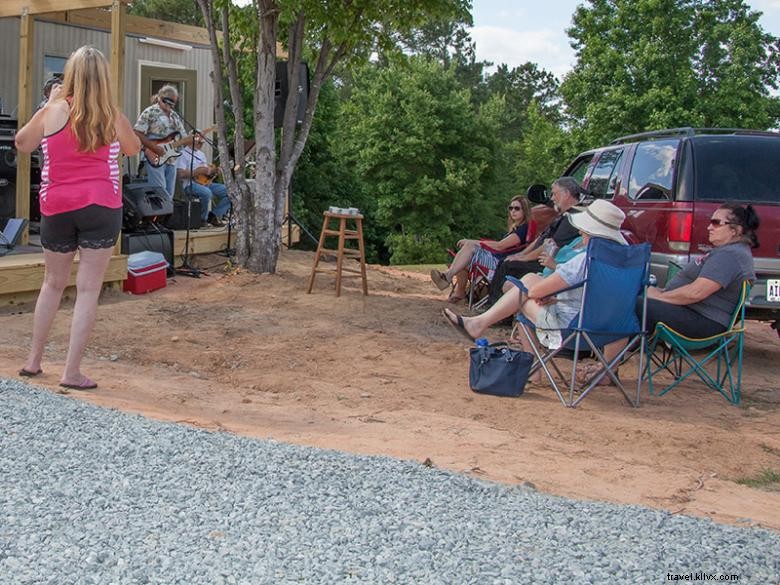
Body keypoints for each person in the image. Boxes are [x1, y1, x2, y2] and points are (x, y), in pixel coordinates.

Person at [15, 45, 141, 390]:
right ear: (103, 79)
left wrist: (49, 103)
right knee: (87, 290)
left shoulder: (53, 111)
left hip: (56, 205)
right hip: (101, 205)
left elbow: (22, 143)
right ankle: (71, 372)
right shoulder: (112, 115)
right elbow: (133, 149)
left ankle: (33, 361)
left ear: (69, 76)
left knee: (51, 284)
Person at [443, 199, 629, 383]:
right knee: (530, 286)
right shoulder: (630, 262)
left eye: (584, 229)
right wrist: (553, 296)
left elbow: (537, 290)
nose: (580, 232)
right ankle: (607, 371)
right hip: (616, 330)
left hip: (572, 329)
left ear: (592, 231)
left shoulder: (585, 260)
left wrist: (545, 294)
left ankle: (528, 365)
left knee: (526, 291)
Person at [644, 203, 758, 338]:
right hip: (694, 313)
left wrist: (659, 297)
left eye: (716, 223)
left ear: (736, 230)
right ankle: (625, 351)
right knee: (630, 299)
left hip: (705, 321)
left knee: (631, 305)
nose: (709, 227)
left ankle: (619, 353)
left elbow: (696, 293)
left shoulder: (730, 256)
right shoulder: (731, 251)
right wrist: (659, 293)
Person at [486, 177, 583, 306]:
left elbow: (549, 246)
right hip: (543, 258)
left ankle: (498, 310)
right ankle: (494, 306)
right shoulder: (562, 215)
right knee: (508, 261)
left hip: (549, 264)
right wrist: (522, 254)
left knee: (509, 265)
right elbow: (541, 238)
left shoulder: (573, 219)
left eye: (554, 194)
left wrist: (523, 258)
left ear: (566, 194)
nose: (552, 198)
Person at [430, 195, 531, 303]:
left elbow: (501, 246)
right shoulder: (515, 228)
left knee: (469, 247)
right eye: (510, 208)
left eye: (517, 208)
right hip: (496, 259)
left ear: (524, 210)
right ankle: (459, 292)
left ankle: (447, 277)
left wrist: (473, 241)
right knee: (463, 258)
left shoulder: (523, 229)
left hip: (500, 264)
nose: (513, 211)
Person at [133, 85, 187, 199]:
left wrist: (192, 139)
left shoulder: (175, 116)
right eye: (168, 100)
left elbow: (183, 137)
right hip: (155, 157)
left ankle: (166, 215)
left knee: (169, 196)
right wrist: (154, 148)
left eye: (174, 101)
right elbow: (137, 132)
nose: (171, 104)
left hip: (171, 160)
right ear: (161, 98)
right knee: (160, 194)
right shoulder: (150, 112)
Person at [176, 135, 230, 228]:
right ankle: (202, 220)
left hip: (205, 183)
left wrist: (214, 172)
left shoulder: (201, 154)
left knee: (229, 191)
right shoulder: (183, 154)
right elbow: (180, 174)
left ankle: (214, 215)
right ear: (190, 141)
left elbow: (205, 175)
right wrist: (197, 172)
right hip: (189, 185)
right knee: (206, 193)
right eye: (199, 142)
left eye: (202, 143)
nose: (201, 144)